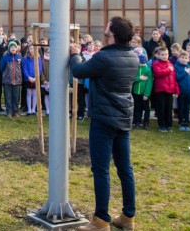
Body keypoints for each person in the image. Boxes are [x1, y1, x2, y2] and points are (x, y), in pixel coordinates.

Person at [69, 16, 137, 231]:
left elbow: (79, 71)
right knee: (125, 169)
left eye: (108, 24)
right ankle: (128, 217)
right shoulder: (133, 57)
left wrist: (74, 54)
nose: (104, 26)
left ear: (113, 32)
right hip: (123, 118)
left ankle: (101, 220)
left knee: (101, 170)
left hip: (104, 121)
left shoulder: (105, 57)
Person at [153, 47, 178, 132]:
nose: (164, 56)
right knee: (161, 107)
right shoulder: (156, 64)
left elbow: (174, 78)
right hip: (161, 89)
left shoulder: (171, 64)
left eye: (166, 54)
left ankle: (168, 125)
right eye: (162, 54)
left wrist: (176, 90)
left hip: (170, 90)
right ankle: (162, 125)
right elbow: (158, 73)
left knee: (168, 108)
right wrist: (168, 70)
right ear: (159, 55)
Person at [0, 40, 23, 118]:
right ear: (9, 48)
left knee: (16, 96)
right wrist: (6, 75)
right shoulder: (5, 57)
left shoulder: (20, 58)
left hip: (17, 80)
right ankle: (9, 111)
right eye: (11, 47)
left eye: (14, 47)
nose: (13, 48)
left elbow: (22, 68)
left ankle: (15, 110)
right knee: (8, 96)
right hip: (7, 80)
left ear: (17, 48)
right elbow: (2, 68)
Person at [131, 48, 153, 130]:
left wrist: (146, 94)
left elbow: (149, 83)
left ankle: (146, 122)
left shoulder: (147, 70)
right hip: (136, 92)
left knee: (146, 109)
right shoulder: (135, 69)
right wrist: (139, 78)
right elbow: (132, 79)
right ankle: (137, 122)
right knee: (137, 108)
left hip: (144, 94)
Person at [174, 51, 190, 131]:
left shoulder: (189, 67)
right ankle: (181, 122)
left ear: (188, 59)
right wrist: (185, 72)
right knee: (181, 107)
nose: (184, 59)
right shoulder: (176, 66)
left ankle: (187, 122)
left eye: (186, 58)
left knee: (187, 107)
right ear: (179, 58)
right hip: (181, 90)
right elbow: (177, 78)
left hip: (188, 90)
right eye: (182, 57)